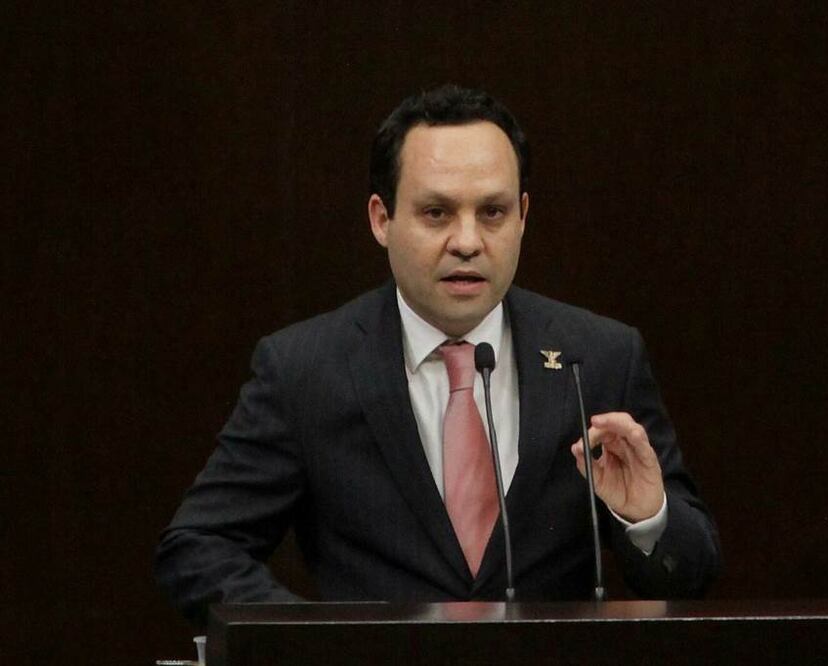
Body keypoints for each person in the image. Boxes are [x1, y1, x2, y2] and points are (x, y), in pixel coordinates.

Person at [155, 85, 721, 627]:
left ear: (523, 215)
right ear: (381, 218)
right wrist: (315, 637)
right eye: (436, 213)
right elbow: (199, 546)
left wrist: (647, 518)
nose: (468, 241)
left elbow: (690, 575)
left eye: (493, 212)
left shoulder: (597, 358)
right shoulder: (304, 369)